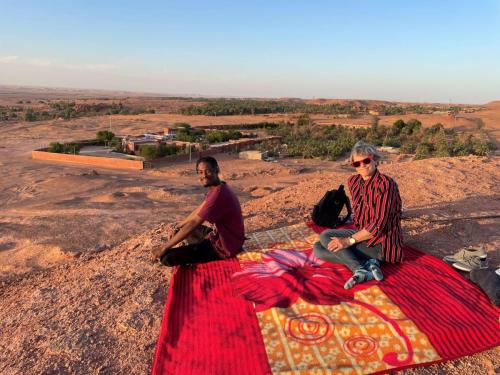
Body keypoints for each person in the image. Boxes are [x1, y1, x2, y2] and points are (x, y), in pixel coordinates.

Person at [313, 141, 403, 289]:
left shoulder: (386, 185)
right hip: (363, 234)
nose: (362, 166)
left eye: (366, 161)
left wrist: (348, 241)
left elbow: (378, 226)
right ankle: (367, 265)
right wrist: (350, 239)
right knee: (319, 245)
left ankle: (359, 268)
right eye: (357, 164)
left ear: (374, 159)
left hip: (382, 242)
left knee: (324, 243)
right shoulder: (353, 182)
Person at [152, 156, 245, 266]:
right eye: (200, 172)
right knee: (185, 229)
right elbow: (200, 209)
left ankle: (205, 253)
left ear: (216, 170)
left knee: (166, 258)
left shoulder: (218, 195)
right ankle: (198, 247)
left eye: (208, 171)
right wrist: (179, 225)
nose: (204, 175)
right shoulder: (219, 186)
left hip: (225, 247)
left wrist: (164, 247)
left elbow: (195, 222)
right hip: (225, 238)